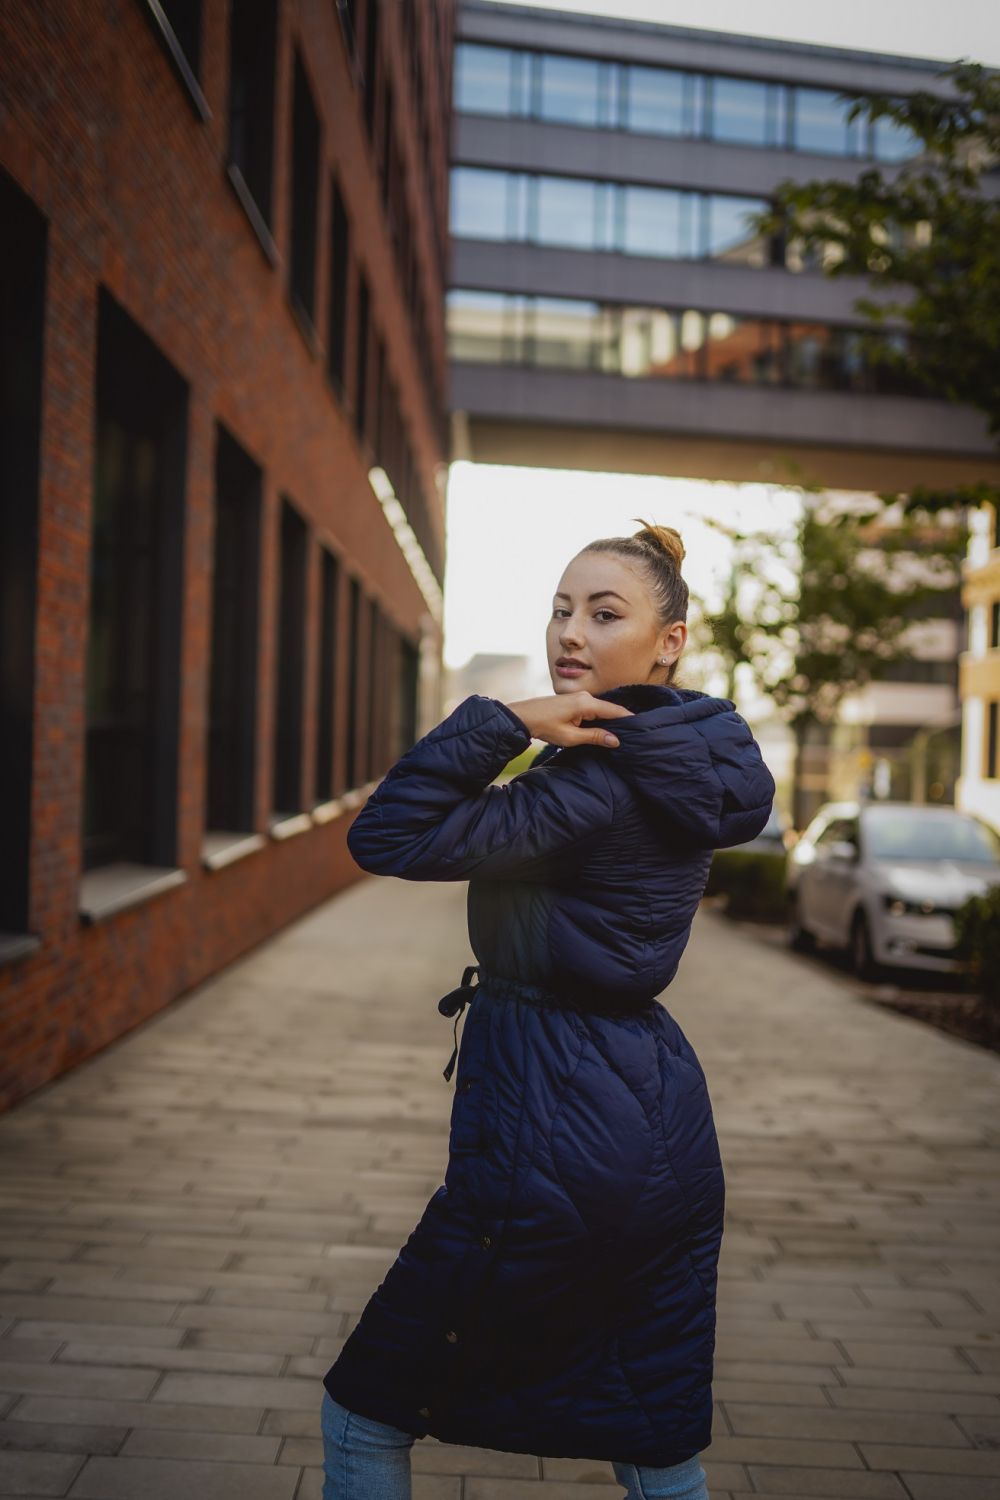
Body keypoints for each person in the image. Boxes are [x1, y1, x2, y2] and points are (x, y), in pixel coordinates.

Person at [320, 520, 776, 1500]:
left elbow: (388, 834)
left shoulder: (596, 783)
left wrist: (504, 721)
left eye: (603, 613)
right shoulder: (673, 761)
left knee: (363, 1412)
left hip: (556, 1130)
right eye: (560, 609)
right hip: (646, 1122)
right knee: (652, 1440)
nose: (569, 632)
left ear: (670, 640)